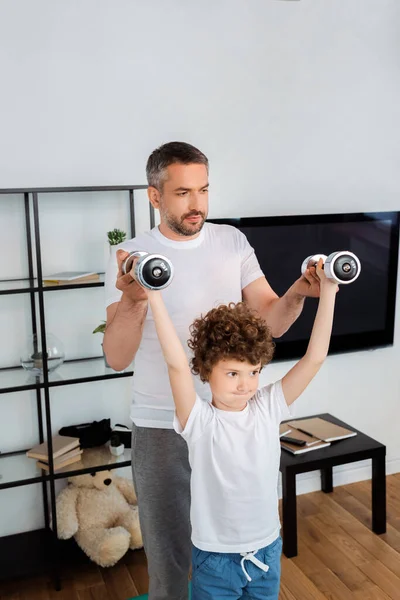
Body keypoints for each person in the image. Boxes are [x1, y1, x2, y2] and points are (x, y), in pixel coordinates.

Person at [103, 141, 321, 600]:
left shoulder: (231, 242)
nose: (197, 204)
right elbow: (117, 357)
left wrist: (300, 291)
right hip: (163, 425)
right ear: (155, 196)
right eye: (183, 193)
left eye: (203, 190)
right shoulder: (134, 257)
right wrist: (131, 300)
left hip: (228, 422)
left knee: (225, 549)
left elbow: (270, 320)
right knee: (169, 561)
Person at [141, 257, 337, 599]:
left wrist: (330, 288)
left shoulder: (267, 406)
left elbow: (315, 357)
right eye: (233, 373)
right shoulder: (199, 420)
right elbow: (174, 363)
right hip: (215, 559)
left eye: (253, 372)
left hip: (266, 550)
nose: (246, 384)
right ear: (205, 369)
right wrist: (153, 294)